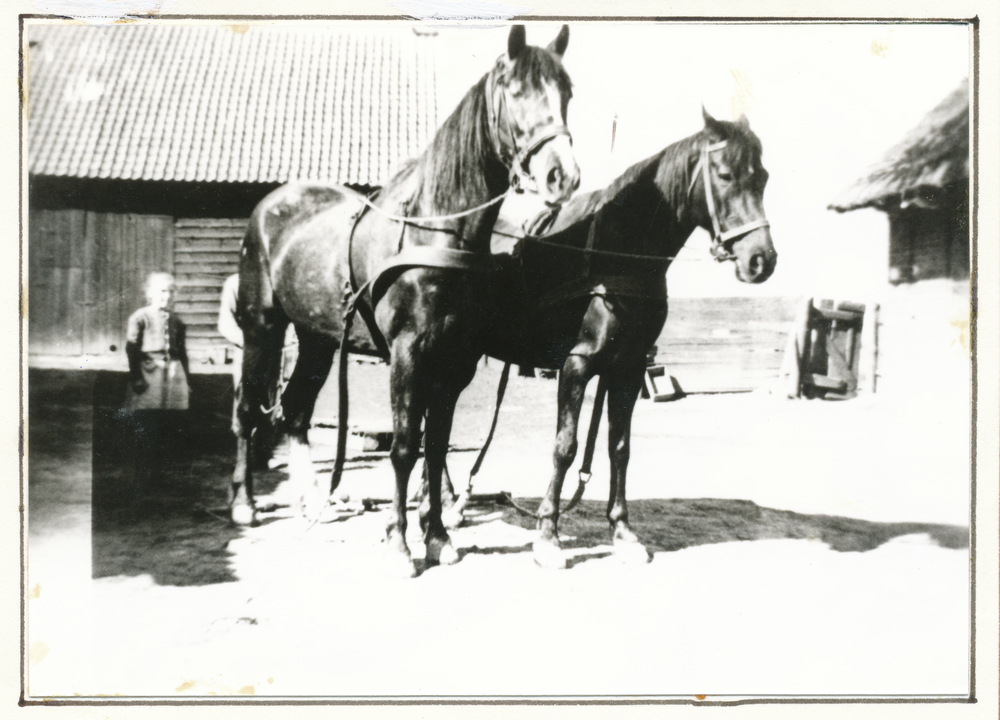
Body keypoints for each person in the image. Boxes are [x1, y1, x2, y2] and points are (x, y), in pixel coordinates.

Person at [122, 272, 190, 513]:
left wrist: (188, 381)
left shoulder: (177, 321)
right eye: (161, 291)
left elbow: (182, 353)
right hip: (148, 372)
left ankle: (159, 482)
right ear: (149, 293)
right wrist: (136, 378)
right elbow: (131, 350)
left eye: (170, 292)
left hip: (172, 375)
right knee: (145, 426)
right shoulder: (140, 317)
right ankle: (138, 484)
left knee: (166, 427)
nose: (166, 296)